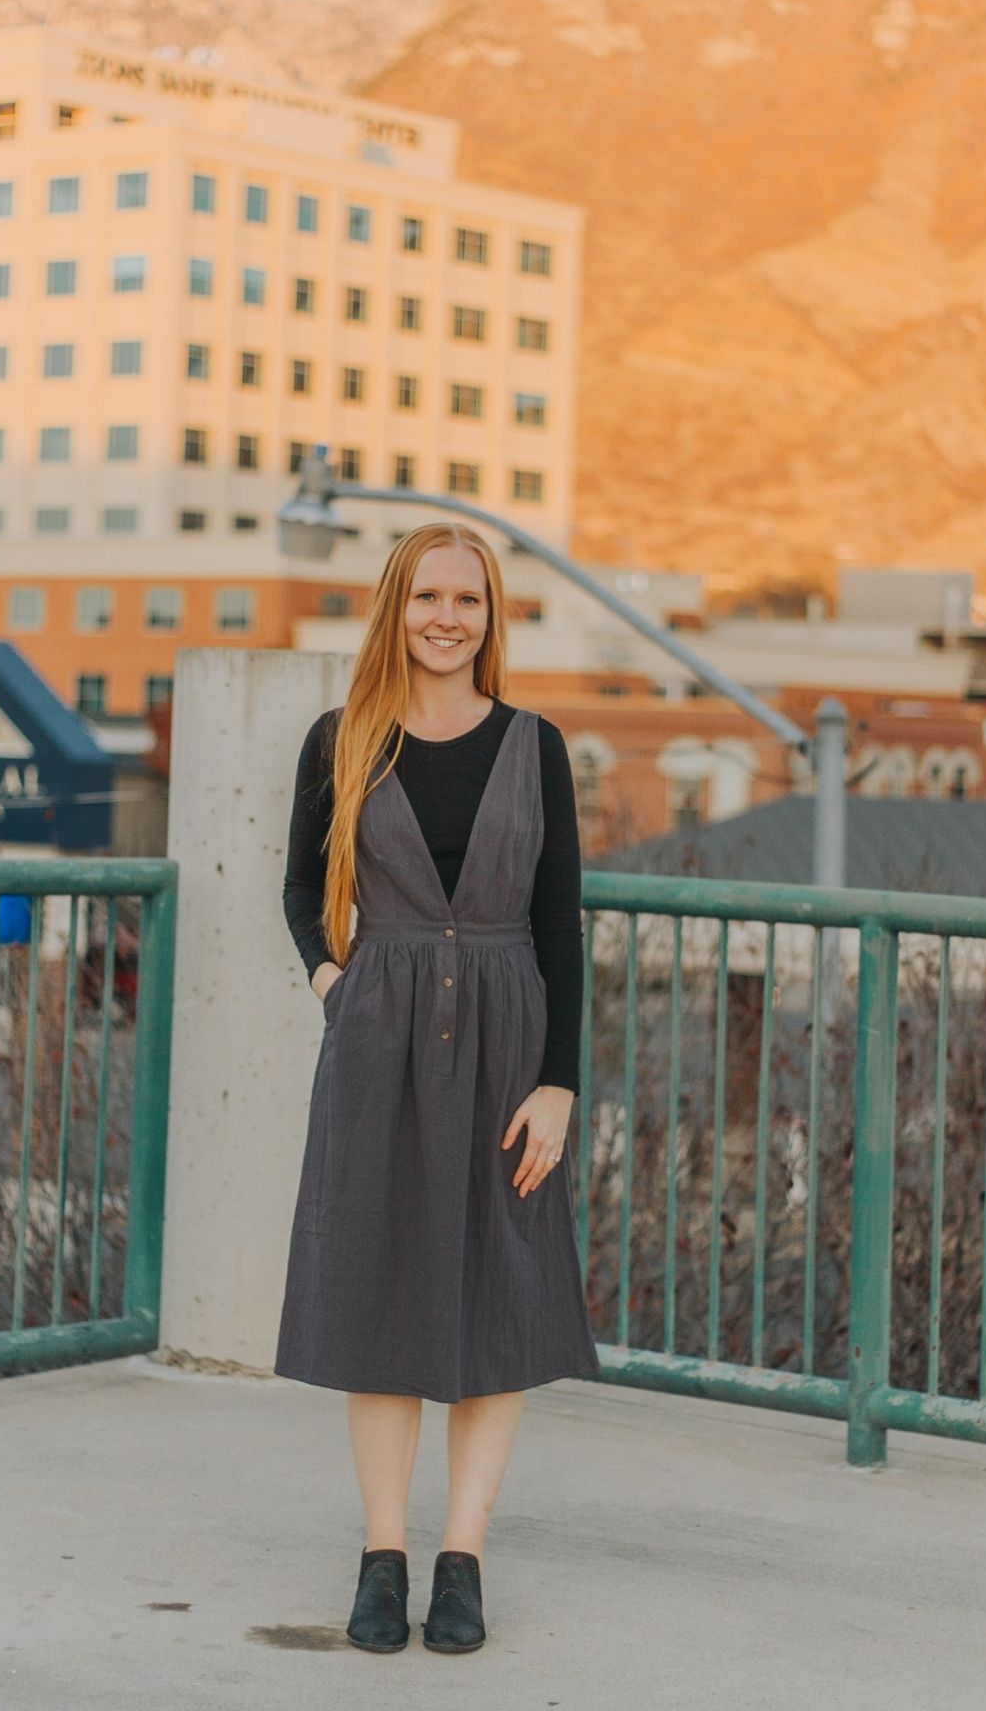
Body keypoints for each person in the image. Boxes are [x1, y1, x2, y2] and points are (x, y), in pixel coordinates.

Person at [275, 520, 600, 1655]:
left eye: (467, 599)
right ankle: (383, 1555)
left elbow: (559, 921)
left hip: (510, 1041)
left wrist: (559, 1082)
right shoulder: (343, 738)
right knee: (379, 1289)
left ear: (490, 615)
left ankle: (461, 1559)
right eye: (426, 599)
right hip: (380, 1043)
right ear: (396, 610)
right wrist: (340, 990)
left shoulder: (535, 743)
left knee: (496, 1297)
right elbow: (300, 894)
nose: (446, 618)